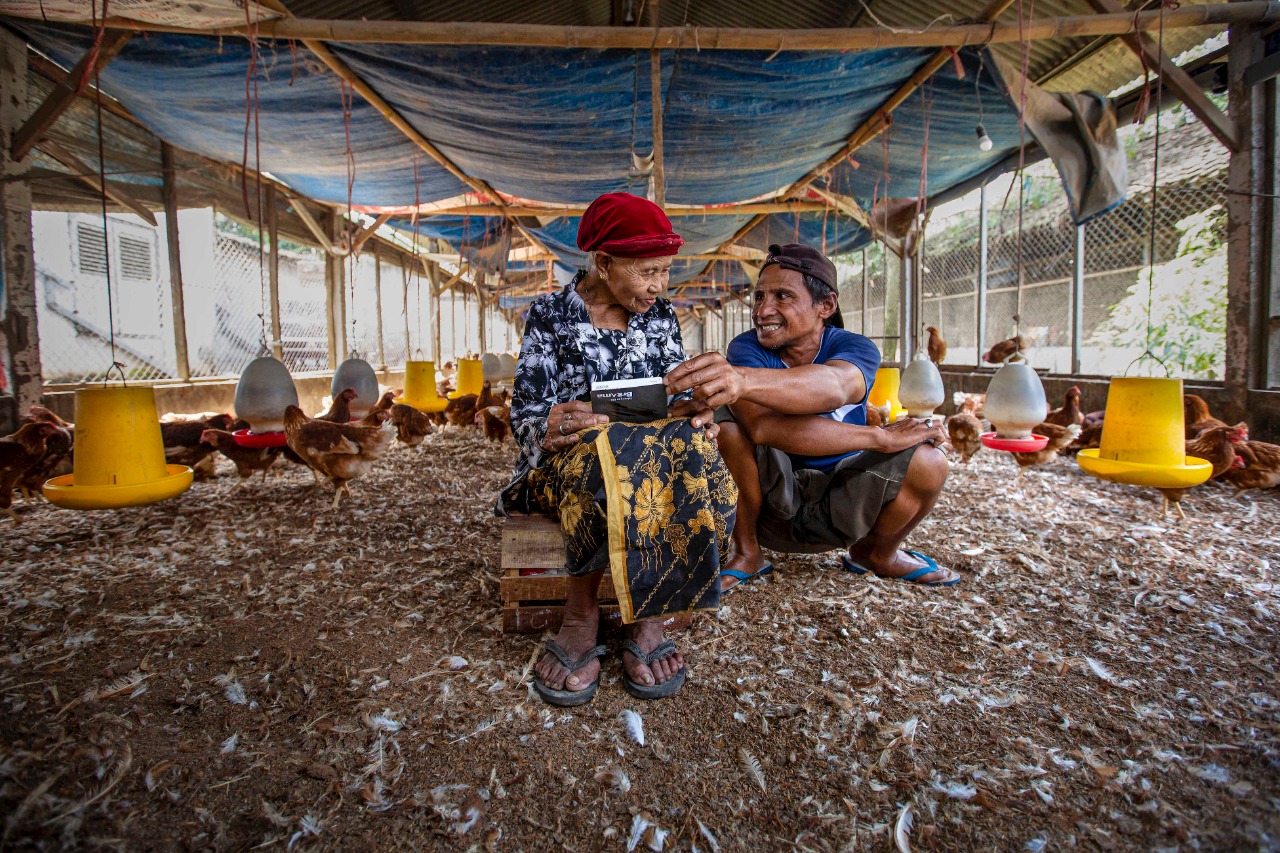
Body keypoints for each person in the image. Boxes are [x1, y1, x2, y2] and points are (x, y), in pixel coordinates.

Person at [499, 192, 738, 707]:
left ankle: (647, 615)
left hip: (649, 455)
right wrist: (549, 424)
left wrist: (697, 414)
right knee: (598, 464)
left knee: (702, 463)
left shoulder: (659, 317)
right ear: (603, 264)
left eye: (666, 271)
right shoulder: (549, 316)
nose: (659, 285)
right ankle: (581, 616)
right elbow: (525, 413)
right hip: (569, 462)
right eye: (648, 271)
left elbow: (675, 397)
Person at [663, 243, 958, 591]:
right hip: (774, 502)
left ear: (826, 305)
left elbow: (835, 384)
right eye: (759, 297)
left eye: (782, 296)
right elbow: (762, 427)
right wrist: (880, 436)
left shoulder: (855, 347)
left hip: (845, 498)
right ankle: (748, 552)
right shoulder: (746, 348)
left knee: (931, 461)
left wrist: (741, 380)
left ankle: (877, 553)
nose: (763, 310)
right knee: (727, 419)